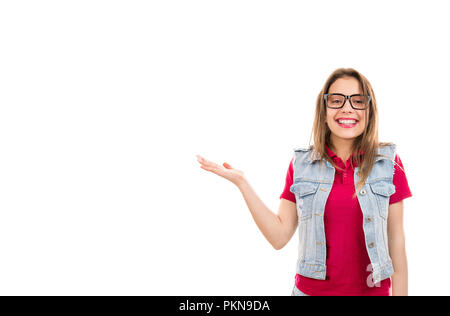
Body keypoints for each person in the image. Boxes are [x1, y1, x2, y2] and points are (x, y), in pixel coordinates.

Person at [196, 68, 412, 296]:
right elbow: (279, 237)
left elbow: (396, 242)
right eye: (336, 100)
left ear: (369, 111)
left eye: (357, 101)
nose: (347, 108)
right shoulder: (302, 165)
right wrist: (242, 183)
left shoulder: (388, 164)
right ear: (324, 111)